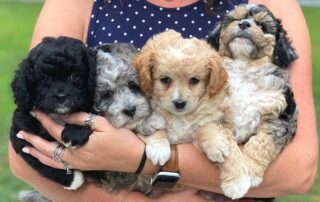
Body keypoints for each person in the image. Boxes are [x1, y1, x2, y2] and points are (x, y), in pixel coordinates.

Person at [9, 0, 318, 201]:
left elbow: (298, 170)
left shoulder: (267, 7)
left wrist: (144, 159)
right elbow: (26, 147)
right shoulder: (77, 4)